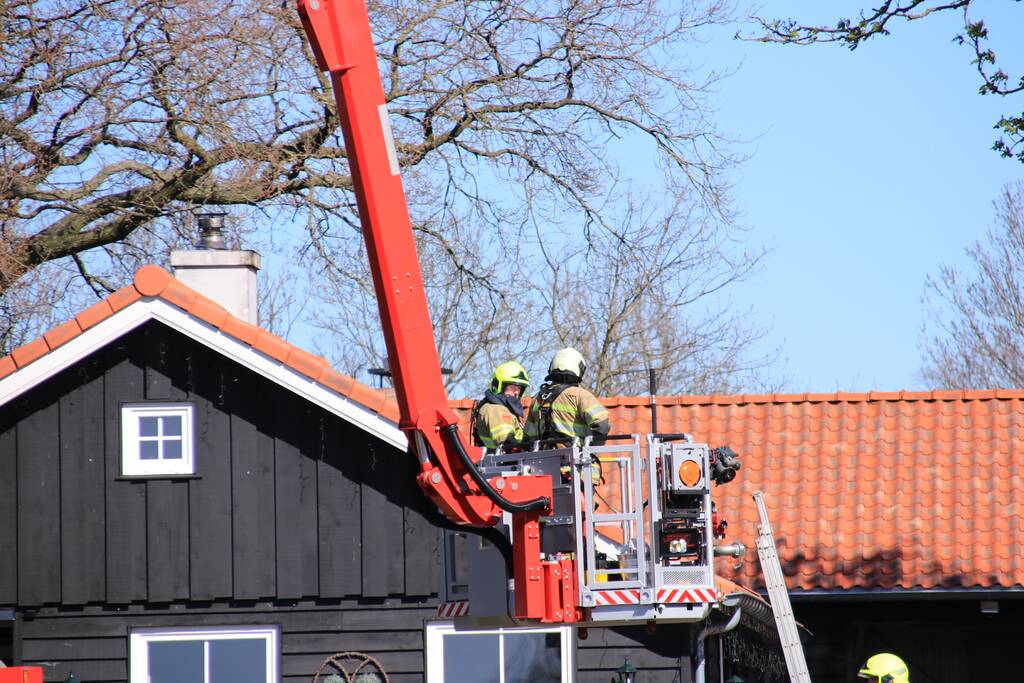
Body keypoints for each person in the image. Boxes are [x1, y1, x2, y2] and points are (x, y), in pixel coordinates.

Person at [524, 347, 610, 446]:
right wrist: (590, 450)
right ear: (579, 368)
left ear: (552, 367)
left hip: (542, 459)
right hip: (575, 459)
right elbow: (602, 424)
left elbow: (528, 437)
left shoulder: (537, 399)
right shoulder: (581, 395)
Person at [473, 361, 531, 450]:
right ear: (498, 386)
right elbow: (509, 442)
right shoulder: (495, 409)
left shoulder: (505, 409)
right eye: (512, 387)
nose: (516, 392)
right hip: (501, 462)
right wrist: (532, 438)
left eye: (519, 388)